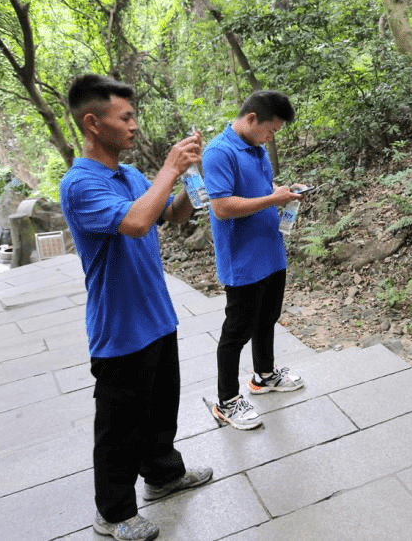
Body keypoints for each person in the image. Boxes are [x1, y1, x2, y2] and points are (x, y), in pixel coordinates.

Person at [60, 74, 213, 541]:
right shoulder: (81, 183)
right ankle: (113, 513)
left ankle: (164, 475)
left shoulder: (129, 174)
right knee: (119, 427)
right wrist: (169, 165)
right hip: (119, 328)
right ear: (93, 122)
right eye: (124, 117)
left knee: (160, 408)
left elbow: (170, 214)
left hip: (156, 315)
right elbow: (136, 221)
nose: (134, 126)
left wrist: (190, 178)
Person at [203, 90, 307, 431]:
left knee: (267, 318)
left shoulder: (257, 149)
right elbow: (221, 207)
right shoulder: (219, 152)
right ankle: (227, 401)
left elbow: (262, 189)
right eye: (271, 129)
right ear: (251, 119)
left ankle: (264, 375)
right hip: (242, 259)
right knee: (236, 331)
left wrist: (282, 193)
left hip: (271, 251)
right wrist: (270, 198)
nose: (271, 136)